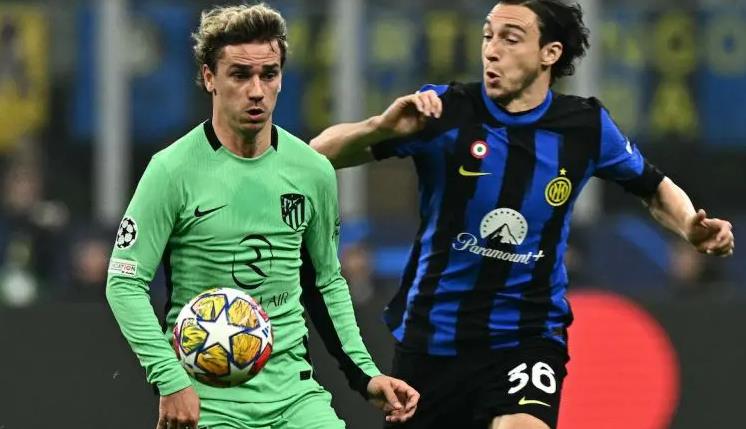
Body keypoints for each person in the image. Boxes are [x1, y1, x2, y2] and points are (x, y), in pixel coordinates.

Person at [310, 1, 735, 428]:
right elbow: (316, 156)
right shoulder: (444, 111)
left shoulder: (584, 127)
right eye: (488, 36)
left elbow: (653, 186)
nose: (492, 50)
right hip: (433, 338)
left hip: (527, 335)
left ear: (549, 53)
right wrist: (380, 129)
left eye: (510, 39)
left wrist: (689, 225)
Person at [105, 4, 418, 429]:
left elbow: (326, 282)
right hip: (208, 401)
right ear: (210, 77)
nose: (257, 90)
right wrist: (170, 380)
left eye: (269, 74)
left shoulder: (312, 171)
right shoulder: (171, 171)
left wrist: (366, 375)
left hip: (294, 396)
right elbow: (124, 282)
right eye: (240, 75)